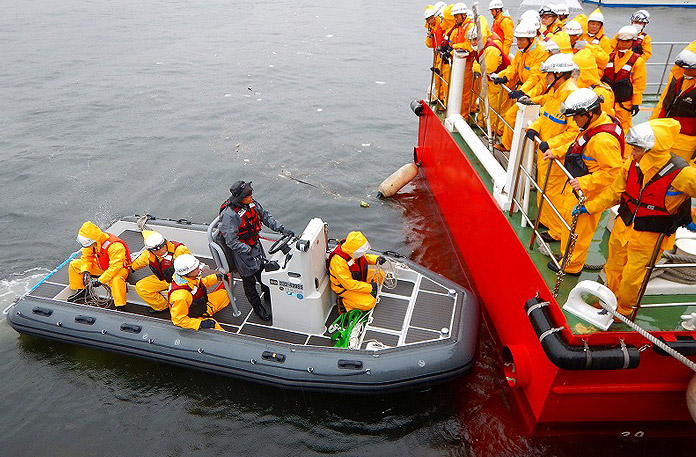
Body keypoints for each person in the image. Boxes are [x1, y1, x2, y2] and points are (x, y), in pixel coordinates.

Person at [576, 119, 696, 320]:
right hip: (623, 228)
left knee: (632, 279)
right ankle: (608, 300)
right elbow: (614, 193)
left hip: (648, 237)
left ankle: (623, 311)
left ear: (651, 150)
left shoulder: (681, 174)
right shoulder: (631, 164)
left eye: (636, 149)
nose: (631, 152)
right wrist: (588, 207)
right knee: (613, 269)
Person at [546, 88, 624, 275]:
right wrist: (557, 151)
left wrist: (586, 182)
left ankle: (571, 266)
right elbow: (578, 143)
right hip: (580, 185)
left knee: (579, 230)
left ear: (588, 113)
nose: (573, 121)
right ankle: (567, 256)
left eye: (576, 116)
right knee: (570, 222)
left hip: (589, 192)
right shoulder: (596, 123)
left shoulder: (603, 141)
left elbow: (614, 172)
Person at [523, 53, 579, 243]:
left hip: (557, 155)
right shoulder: (555, 92)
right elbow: (545, 116)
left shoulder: (571, 95)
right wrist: (534, 128)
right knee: (543, 187)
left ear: (558, 74)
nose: (545, 77)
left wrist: (552, 144)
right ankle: (545, 220)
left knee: (554, 192)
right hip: (545, 151)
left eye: (548, 74)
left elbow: (574, 131)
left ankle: (555, 230)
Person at [219, 181, 294, 321]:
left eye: (251, 192)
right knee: (249, 283)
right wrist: (246, 249)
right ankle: (258, 307)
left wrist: (281, 229)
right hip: (242, 253)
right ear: (240, 197)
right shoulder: (229, 215)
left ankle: (267, 293)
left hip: (255, 245)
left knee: (262, 271)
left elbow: (266, 217)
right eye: (248, 194)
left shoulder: (252, 204)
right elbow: (230, 241)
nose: (251, 196)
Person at [491, 20, 548, 151]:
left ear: (530, 39)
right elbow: (514, 67)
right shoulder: (523, 51)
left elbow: (535, 77)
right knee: (512, 115)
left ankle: (509, 146)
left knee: (511, 115)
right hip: (525, 89)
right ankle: (511, 144)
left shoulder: (540, 53)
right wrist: (505, 77)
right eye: (518, 39)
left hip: (534, 93)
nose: (519, 43)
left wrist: (523, 92)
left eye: (522, 40)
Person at [67, 221, 131, 308]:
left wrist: (100, 280)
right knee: (74, 265)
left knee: (116, 280)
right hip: (102, 265)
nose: (89, 247)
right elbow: (86, 258)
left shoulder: (115, 246)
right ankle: (82, 290)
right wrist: (85, 270)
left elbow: (115, 267)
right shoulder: (91, 244)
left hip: (120, 269)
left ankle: (120, 306)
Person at [650, 48, 696, 162]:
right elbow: (663, 103)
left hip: (685, 144)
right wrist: (651, 126)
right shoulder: (677, 78)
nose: (685, 71)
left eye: (688, 69)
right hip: (663, 135)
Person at [130, 231, 190, 312]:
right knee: (141, 287)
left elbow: (191, 267)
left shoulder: (180, 250)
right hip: (164, 279)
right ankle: (162, 307)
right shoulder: (148, 255)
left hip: (182, 281)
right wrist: (129, 268)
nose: (161, 251)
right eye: (156, 250)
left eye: (162, 247)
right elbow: (139, 262)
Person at [601, 25, 647, 133]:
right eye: (621, 41)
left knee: (623, 129)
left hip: (624, 104)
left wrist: (636, 102)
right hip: (608, 102)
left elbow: (638, 83)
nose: (624, 43)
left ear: (633, 42)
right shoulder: (609, 57)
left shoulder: (637, 61)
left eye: (627, 41)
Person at [328, 232, 386, 313]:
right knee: (369, 303)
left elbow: (363, 257)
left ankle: (363, 294)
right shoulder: (338, 262)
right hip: (344, 288)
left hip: (357, 277)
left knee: (381, 275)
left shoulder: (351, 250)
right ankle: (344, 304)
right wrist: (370, 287)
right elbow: (349, 285)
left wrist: (376, 259)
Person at [168, 254, 229, 331]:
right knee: (219, 333)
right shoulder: (181, 296)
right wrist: (200, 324)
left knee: (225, 294)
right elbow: (178, 320)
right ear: (187, 273)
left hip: (202, 304)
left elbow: (201, 284)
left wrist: (216, 277)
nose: (199, 269)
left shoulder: (191, 277)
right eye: (196, 268)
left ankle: (208, 311)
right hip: (194, 316)